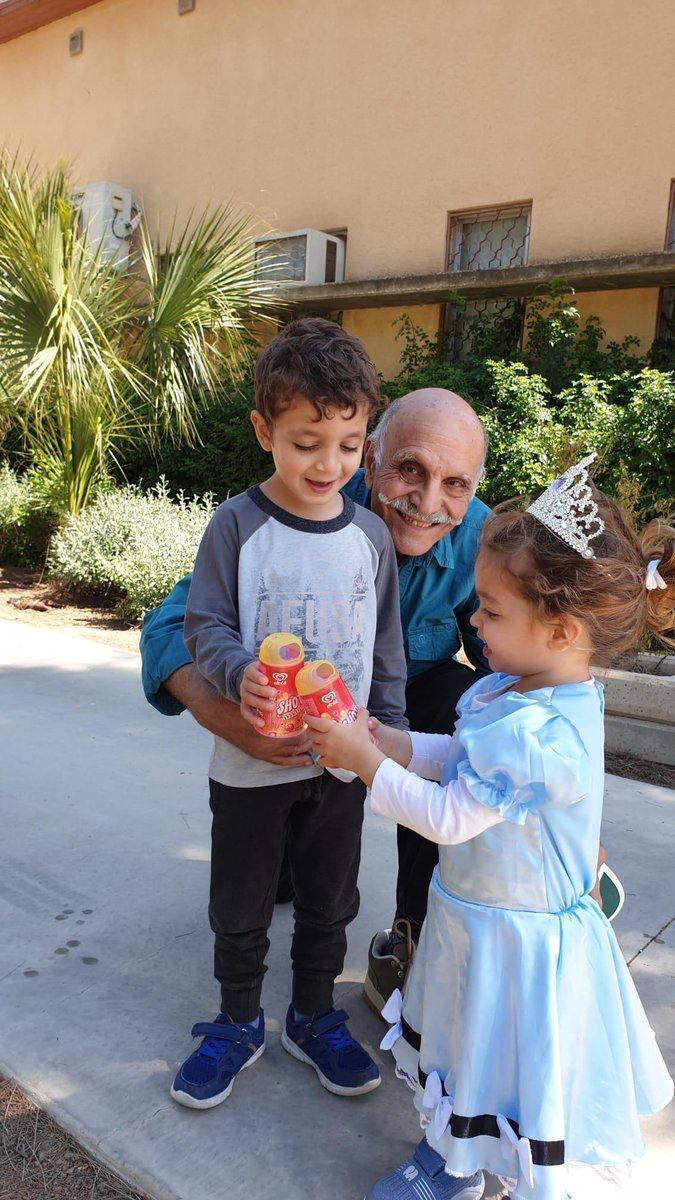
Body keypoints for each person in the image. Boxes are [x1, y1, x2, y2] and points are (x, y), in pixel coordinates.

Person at [304, 456, 674, 1200]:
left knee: (507, 1062)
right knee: (461, 1048)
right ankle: (452, 1161)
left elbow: (449, 815)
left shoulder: (543, 733)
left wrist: (368, 768)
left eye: (492, 611)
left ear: (562, 627)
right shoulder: (517, 687)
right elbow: (459, 758)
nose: (474, 622)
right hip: (474, 918)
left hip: (517, 942)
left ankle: (507, 1174)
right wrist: (392, 744)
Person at [141, 386, 492, 1009]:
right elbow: (171, 627)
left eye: (455, 484)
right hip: (290, 719)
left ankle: (412, 936)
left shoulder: (479, 539)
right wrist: (230, 719)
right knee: (275, 879)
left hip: (390, 710)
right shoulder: (307, 499)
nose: (428, 503)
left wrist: (560, 800)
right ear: (373, 456)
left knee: (465, 709)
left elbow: (521, 675)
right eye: (409, 469)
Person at [169, 317, 408, 1110]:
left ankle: (312, 1015)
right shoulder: (237, 526)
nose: (329, 463)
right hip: (249, 767)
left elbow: (384, 647)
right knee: (239, 904)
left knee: (329, 900)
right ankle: (237, 1021)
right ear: (264, 431)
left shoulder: (370, 535)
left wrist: (387, 736)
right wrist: (239, 676)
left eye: (348, 445)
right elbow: (204, 624)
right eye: (307, 442)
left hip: (340, 765)